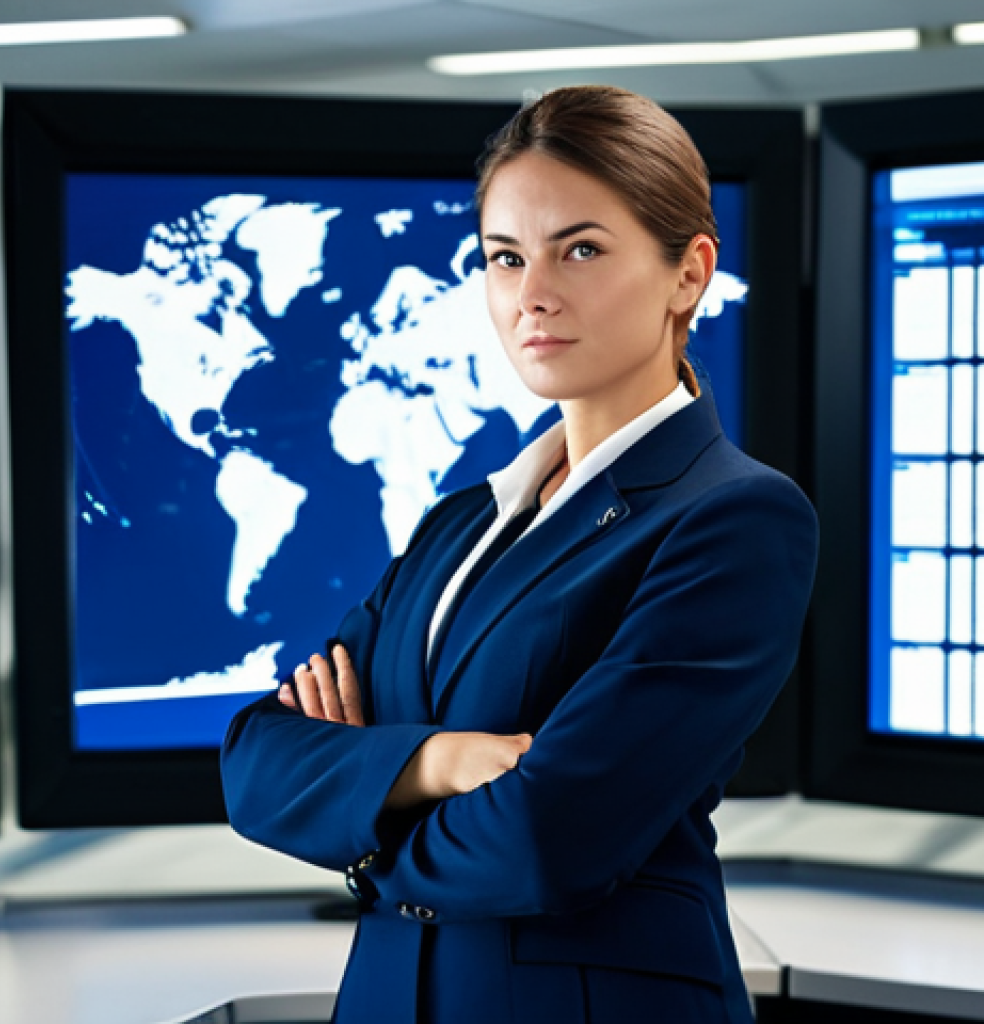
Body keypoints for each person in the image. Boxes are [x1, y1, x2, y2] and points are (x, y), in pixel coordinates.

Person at [221, 84, 818, 1024]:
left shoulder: (736, 517)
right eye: (505, 257)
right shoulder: (461, 522)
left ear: (689, 274)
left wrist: (361, 817)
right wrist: (440, 762)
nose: (531, 294)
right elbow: (256, 760)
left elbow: (551, 839)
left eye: (580, 249)